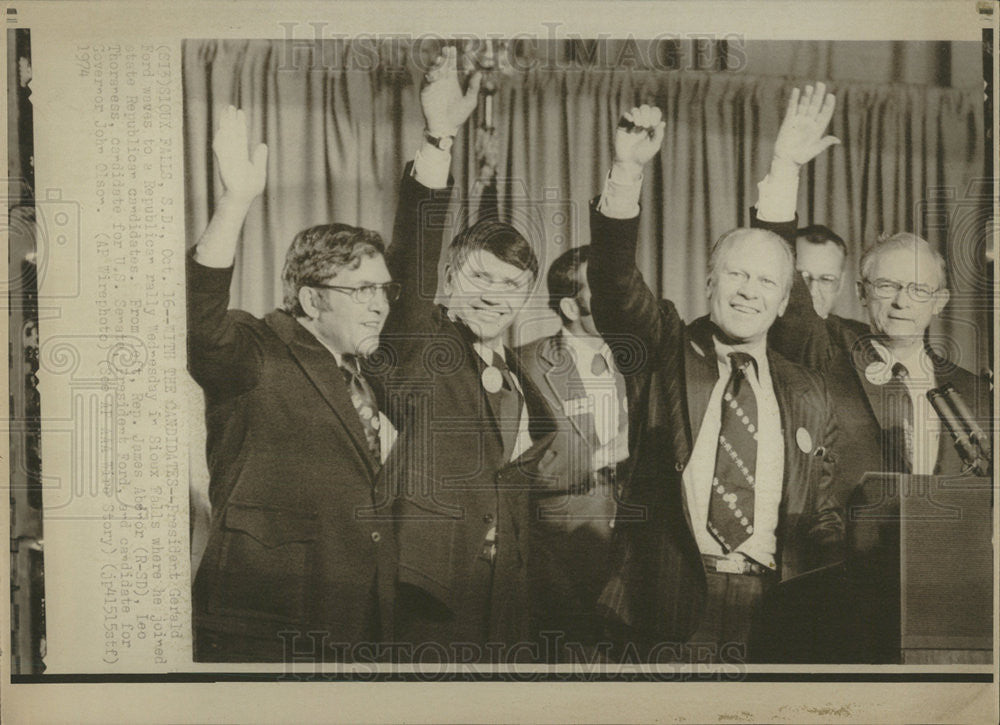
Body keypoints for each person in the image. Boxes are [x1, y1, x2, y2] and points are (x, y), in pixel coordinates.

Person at [588, 96, 844, 664]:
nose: (750, 290)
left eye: (766, 283)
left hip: (777, 608)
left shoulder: (806, 388)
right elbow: (613, 286)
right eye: (736, 274)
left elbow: (820, 508)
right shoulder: (666, 346)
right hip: (668, 598)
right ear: (710, 281)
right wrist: (628, 171)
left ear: (784, 303)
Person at [188, 107, 398, 662]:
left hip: (359, 624)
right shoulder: (255, 349)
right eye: (362, 291)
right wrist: (235, 203)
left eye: (384, 291)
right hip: (266, 624)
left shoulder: (366, 372)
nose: (380, 306)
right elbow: (198, 319)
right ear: (311, 299)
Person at [373, 48, 559, 662]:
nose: (493, 296)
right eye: (480, 277)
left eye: (511, 286)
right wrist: (439, 138)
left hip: (507, 601)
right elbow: (411, 260)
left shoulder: (524, 379)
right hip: (426, 594)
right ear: (450, 278)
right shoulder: (421, 344)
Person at [516, 246, 631, 661]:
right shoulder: (523, 364)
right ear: (569, 305)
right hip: (561, 570)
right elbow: (512, 472)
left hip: (636, 568)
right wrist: (606, 455)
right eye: (603, 290)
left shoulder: (640, 361)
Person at [794, 224, 852, 320]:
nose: (812, 292)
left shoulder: (856, 334)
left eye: (826, 279)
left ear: (840, 284)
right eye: (802, 277)